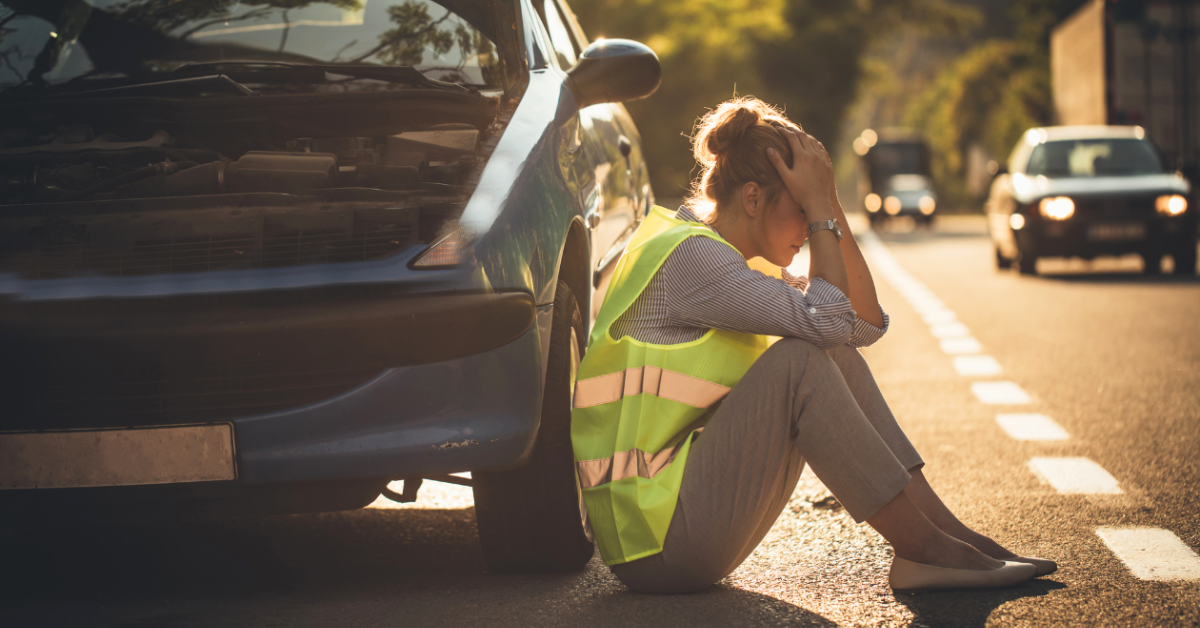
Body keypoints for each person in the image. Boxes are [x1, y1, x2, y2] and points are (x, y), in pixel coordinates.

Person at [570, 96, 1056, 594]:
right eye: (801, 209)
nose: (810, 226)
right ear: (753, 199)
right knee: (800, 362)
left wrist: (829, 205)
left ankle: (948, 540)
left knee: (832, 356)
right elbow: (828, 322)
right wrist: (822, 209)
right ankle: (926, 550)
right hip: (657, 540)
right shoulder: (693, 260)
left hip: (683, 518)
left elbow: (860, 327)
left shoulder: (739, 262)